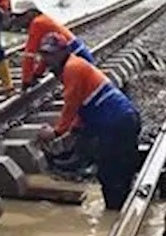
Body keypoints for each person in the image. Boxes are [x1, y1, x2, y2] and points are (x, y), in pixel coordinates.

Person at [35, 33, 142, 210]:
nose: (48, 59)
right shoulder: (71, 66)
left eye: (52, 54)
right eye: (45, 54)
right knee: (119, 171)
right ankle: (121, 210)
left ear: (64, 51)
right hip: (119, 120)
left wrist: (55, 133)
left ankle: (116, 216)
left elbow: (71, 103)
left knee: (112, 174)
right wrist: (76, 129)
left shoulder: (72, 68)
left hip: (117, 123)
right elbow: (82, 104)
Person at [9, 0, 95, 89]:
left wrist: (26, 80)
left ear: (32, 13)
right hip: (79, 56)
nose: (18, 19)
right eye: (16, 16)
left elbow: (29, 55)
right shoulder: (43, 20)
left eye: (21, 16)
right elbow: (46, 55)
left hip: (76, 58)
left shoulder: (37, 23)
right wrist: (37, 74)